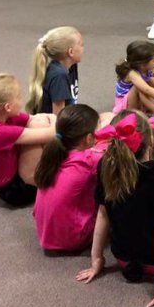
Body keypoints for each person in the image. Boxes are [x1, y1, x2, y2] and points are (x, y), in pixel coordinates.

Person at [76, 111, 154, 307]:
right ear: (151, 143)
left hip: (123, 260)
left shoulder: (105, 165)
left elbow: (103, 214)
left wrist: (96, 258)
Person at [0, 74, 56, 207]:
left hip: (10, 177)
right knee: (40, 126)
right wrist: (54, 118)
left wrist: (48, 119)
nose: (21, 101)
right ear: (7, 107)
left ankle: (49, 170)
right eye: (19, 97)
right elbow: (51, 134)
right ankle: (40, 180)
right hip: (15, 192)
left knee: (39, 122)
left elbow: (35, 117)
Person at [33, 104, 104, 252]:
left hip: (45, 235)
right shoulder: (89, 160)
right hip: (73, 240)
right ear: (88, 138)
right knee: (110, 193)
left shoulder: (52, 155)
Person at [26, 26, 83, 115]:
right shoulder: (59, 76)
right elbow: (57, 117)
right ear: (71, 52)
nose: (83, 49)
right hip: (53, 122)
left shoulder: (71, 67)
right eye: (81, 45)